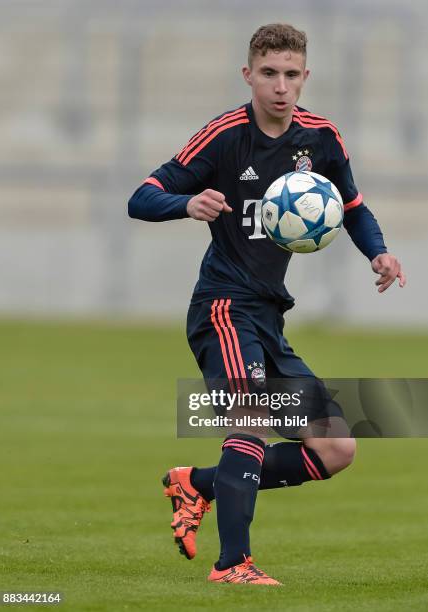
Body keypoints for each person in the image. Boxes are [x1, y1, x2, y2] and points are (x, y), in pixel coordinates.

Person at [128, 23, 406, 585]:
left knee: (337, 447)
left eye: (292, 75)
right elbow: (142, 197)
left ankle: (197, 483)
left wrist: (378, 254)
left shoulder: (322, 138)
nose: (281, 86)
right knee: (249, 420)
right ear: (248, 75)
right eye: (269, 74)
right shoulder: (225, 135)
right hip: (224, 308)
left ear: (306, 77)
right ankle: (233, 565)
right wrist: (186, 203)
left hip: (268, 315)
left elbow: (352, 207)